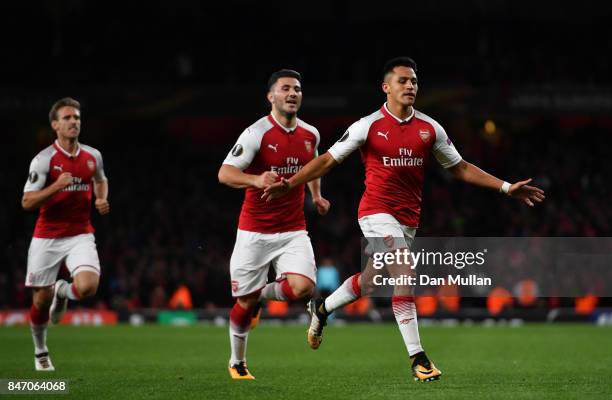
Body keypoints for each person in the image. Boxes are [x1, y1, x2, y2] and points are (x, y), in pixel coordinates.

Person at [263, 57, 545, 382]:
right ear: (386, 87)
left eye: (414, 81)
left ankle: (323, 309)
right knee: (404, 268)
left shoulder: (429, 128)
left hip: (407, 220)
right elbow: (327, 160)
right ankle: (418, 358)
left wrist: (507, 187)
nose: (410, 86)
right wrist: (291, 184)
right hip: (374, 212)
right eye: (402, 81)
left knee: (369, 282)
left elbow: (461, 167)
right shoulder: (366, 126)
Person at [218, 69, 330, 379]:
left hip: (293, 229)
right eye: (285, 89)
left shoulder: (311, 134)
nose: (293, 93)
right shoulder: (256, 133)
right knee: (243, 303)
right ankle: (237, 362)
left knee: (305, 288)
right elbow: (225, 173)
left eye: (297, 88)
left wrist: (317, 196)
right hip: (254, 231)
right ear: (271, 96)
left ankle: (258, 296)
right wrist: (255, 178)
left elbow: (314, 165)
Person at [22, 97, 110, 371]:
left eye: (77, 118)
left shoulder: (92, 156)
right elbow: (27, 202)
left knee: (87, 287)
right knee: (40, 300)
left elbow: (101, 179)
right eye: (68, 118)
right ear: (55, 125)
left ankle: (63, 291)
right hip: (47, 236)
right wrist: (56, 187)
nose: (74, 122)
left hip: (79, 234)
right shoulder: (43, 160)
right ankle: (41, 352)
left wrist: (100, 198)